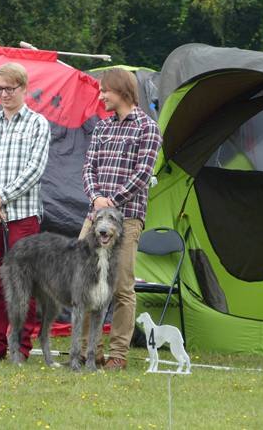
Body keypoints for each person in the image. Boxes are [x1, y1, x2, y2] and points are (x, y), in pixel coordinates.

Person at [80, 68, 162, 370]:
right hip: (94, 216)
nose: (101, 96)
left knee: (122, 287)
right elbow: (88, 166)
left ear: (122, 92)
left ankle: (118, 355)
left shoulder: (147, 128)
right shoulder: (102, 127)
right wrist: (95, 198)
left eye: (105, 91)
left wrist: (111, 202)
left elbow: (142, 174)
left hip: (127, 219)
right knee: (86, 283)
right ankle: (90, 351)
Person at [0, 62, 50, 361]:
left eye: (9, 89)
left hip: (23, 217)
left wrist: (0, 199)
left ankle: (21, 346)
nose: (3, 94)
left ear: (24, 89)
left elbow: (34, 170)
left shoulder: (38, 124)